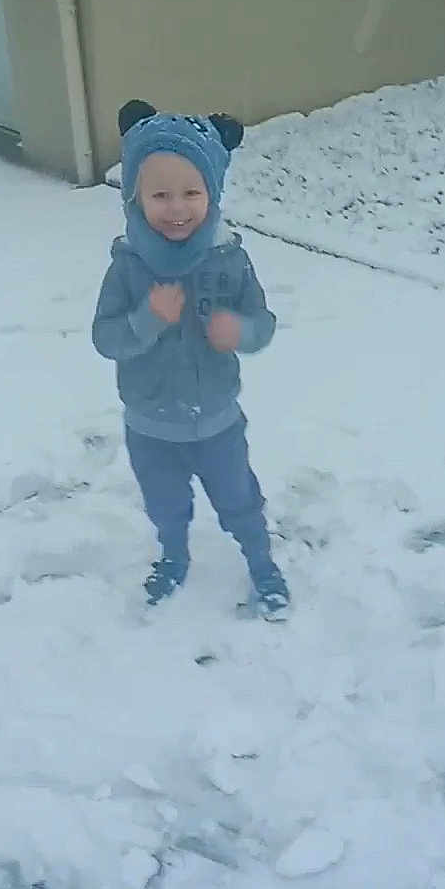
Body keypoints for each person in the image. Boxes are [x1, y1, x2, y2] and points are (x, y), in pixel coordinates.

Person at [92, 99, 290, 619]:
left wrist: (239, 330)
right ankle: (173, 557)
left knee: (239, 500)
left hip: (218, 423)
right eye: (159, 194)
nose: (176, 207)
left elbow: (263, 324)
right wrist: (148, 319)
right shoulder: (128, 267)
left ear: (212, 194)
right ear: (135, 196)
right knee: (165, 505)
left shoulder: (230, 259)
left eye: (191, 193)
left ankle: (262, 563)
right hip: (150, 425)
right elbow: (105, 337)